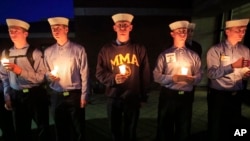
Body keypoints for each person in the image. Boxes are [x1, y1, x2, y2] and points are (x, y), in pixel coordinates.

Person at [95, 13, 150, 141]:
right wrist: (113, 79)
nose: (123, 28)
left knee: (131, 131)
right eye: (120, 25)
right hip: (113, 97)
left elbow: (145, 74)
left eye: (125, 25)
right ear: (115, 28)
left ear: (131, 27)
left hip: (133, 97)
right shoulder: (106, 50)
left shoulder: (139, 48)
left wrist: (143, 96)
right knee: (115, 131)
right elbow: (99, 73)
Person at [0, 18, 50, 141]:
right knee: (21, 131)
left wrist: (20, 71)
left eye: (16, 30)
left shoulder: (35, 53)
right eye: (10, 30)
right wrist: (7, 96)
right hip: (16, 96)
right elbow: (4, 77)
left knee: (43, 129)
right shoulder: (6, 53)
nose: (12, 33)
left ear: (25, 33)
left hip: (35, 95)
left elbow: (42, 77)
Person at [153, 20, 202, 141]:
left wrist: (192, 79)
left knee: (184, 128)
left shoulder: (193, 55)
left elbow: (200, 75)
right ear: (172, 34)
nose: (182, 33)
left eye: (184, 31)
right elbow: (156, 76)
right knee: (165, 128)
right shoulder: (164, 54)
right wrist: (172, 78)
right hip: (168, 96)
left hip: (186, 97)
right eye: (179, 31)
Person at [44, 17, 89, 141]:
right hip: (56, 95)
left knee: (78, 128)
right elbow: (45, 72)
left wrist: (84, 95)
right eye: (53, 29)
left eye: (58, 28)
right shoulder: (48, 52)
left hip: (74, 94)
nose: (55, 31)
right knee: (60, 128)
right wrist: (49, 76)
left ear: (66, 29)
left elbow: (85, 73)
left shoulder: (78, 49)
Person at [206, 18, 250, 141]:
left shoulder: (245, 50)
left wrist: (245, 73)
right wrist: (232, 66)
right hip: (219, 96)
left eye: (244, 30)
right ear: (227, 31)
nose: (242, 33)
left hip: (236, 94)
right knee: (216, 126)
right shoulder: (215, 50)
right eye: (238, 30)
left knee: (235, 126)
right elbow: (211, 74)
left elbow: (244, 69)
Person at [0, 25, 16, 141]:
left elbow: (4, 77)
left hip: (1, 95)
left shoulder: (5, 52)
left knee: (8, 126)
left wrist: (6, 96)